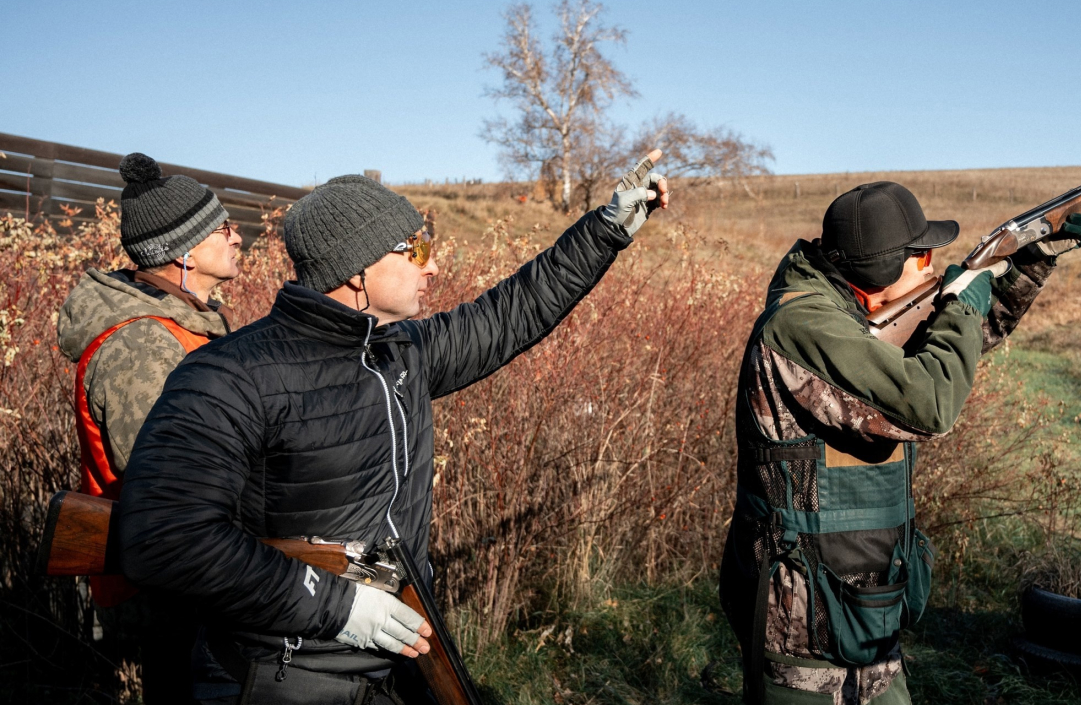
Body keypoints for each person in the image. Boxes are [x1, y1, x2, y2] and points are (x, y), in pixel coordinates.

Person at [116, 152, 668, 703]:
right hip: (279, 676)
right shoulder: (229, 375)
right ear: (357, 267)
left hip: (394, 664)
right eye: (416, 250)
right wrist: (342, 607)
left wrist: (607, 229)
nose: (432, 268)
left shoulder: (399, 353)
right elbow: (167, 537)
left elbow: (511, 312)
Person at [717, 181, 1081, 704]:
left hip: (870, 629)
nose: (932, 263)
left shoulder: (852, 321)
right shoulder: (804, 327)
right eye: (921, 254)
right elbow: (929, 402)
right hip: (803, 652)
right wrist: (959, 307)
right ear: (881, 269)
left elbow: (952, 353)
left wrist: (1032, 262)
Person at [56, 152, 242, 704]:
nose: (238, 237)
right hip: (167, 580)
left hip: (196, 565)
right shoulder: (141, 344)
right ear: (181, 250)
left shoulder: (184, 326)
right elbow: (165, 476)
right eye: (222, 227)